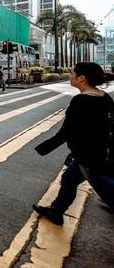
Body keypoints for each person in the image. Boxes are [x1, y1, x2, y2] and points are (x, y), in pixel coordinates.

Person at [33, 62, 114, 225]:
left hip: (89, 157)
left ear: (81, 78)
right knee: (69, 179)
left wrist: (41, 149)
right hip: (96, 152)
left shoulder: (81, 101)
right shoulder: (104, 97)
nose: (70, 76)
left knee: (108, 190)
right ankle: (56, 212)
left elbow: (65, 133)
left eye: (72, 73)